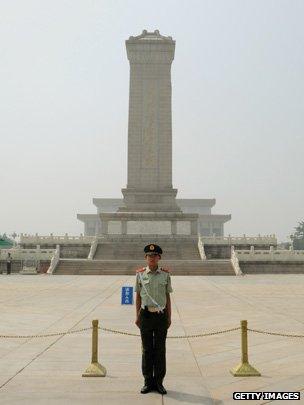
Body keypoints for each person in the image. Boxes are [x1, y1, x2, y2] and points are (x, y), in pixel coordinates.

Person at [134, 243, 173, 395]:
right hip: (145, 315)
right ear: (146, 258)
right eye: (149, 256)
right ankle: (147, 381)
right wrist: (137, 315)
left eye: (154, 255)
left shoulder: (165, 275)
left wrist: (169, 317)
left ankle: (159, 382)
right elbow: (137, 296)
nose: (152, 258)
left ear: (159, 257)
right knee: (146, 349)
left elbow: (167, 297)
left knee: (160, 350)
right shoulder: (140, 275)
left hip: (160, 316)